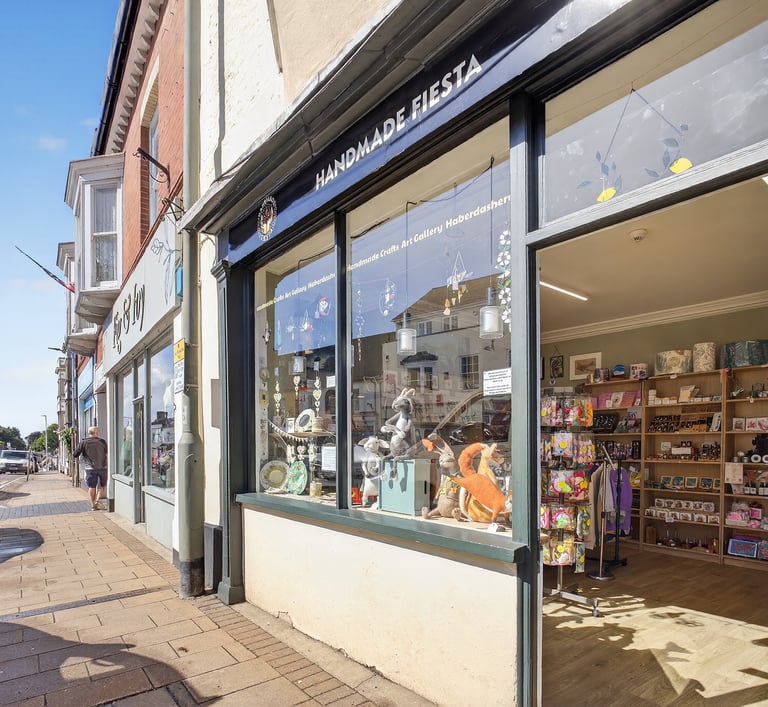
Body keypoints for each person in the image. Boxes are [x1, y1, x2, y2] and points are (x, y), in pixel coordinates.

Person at [73, 426, 108, 510]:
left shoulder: (83, 442)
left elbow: (75, 454)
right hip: (103, 467)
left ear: (89, 433)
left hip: (90, 468)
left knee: (91, 487)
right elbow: (106, 452)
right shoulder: (102, 442)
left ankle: (93, 505)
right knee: (102, 486)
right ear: (97, 433)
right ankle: (97, 500)